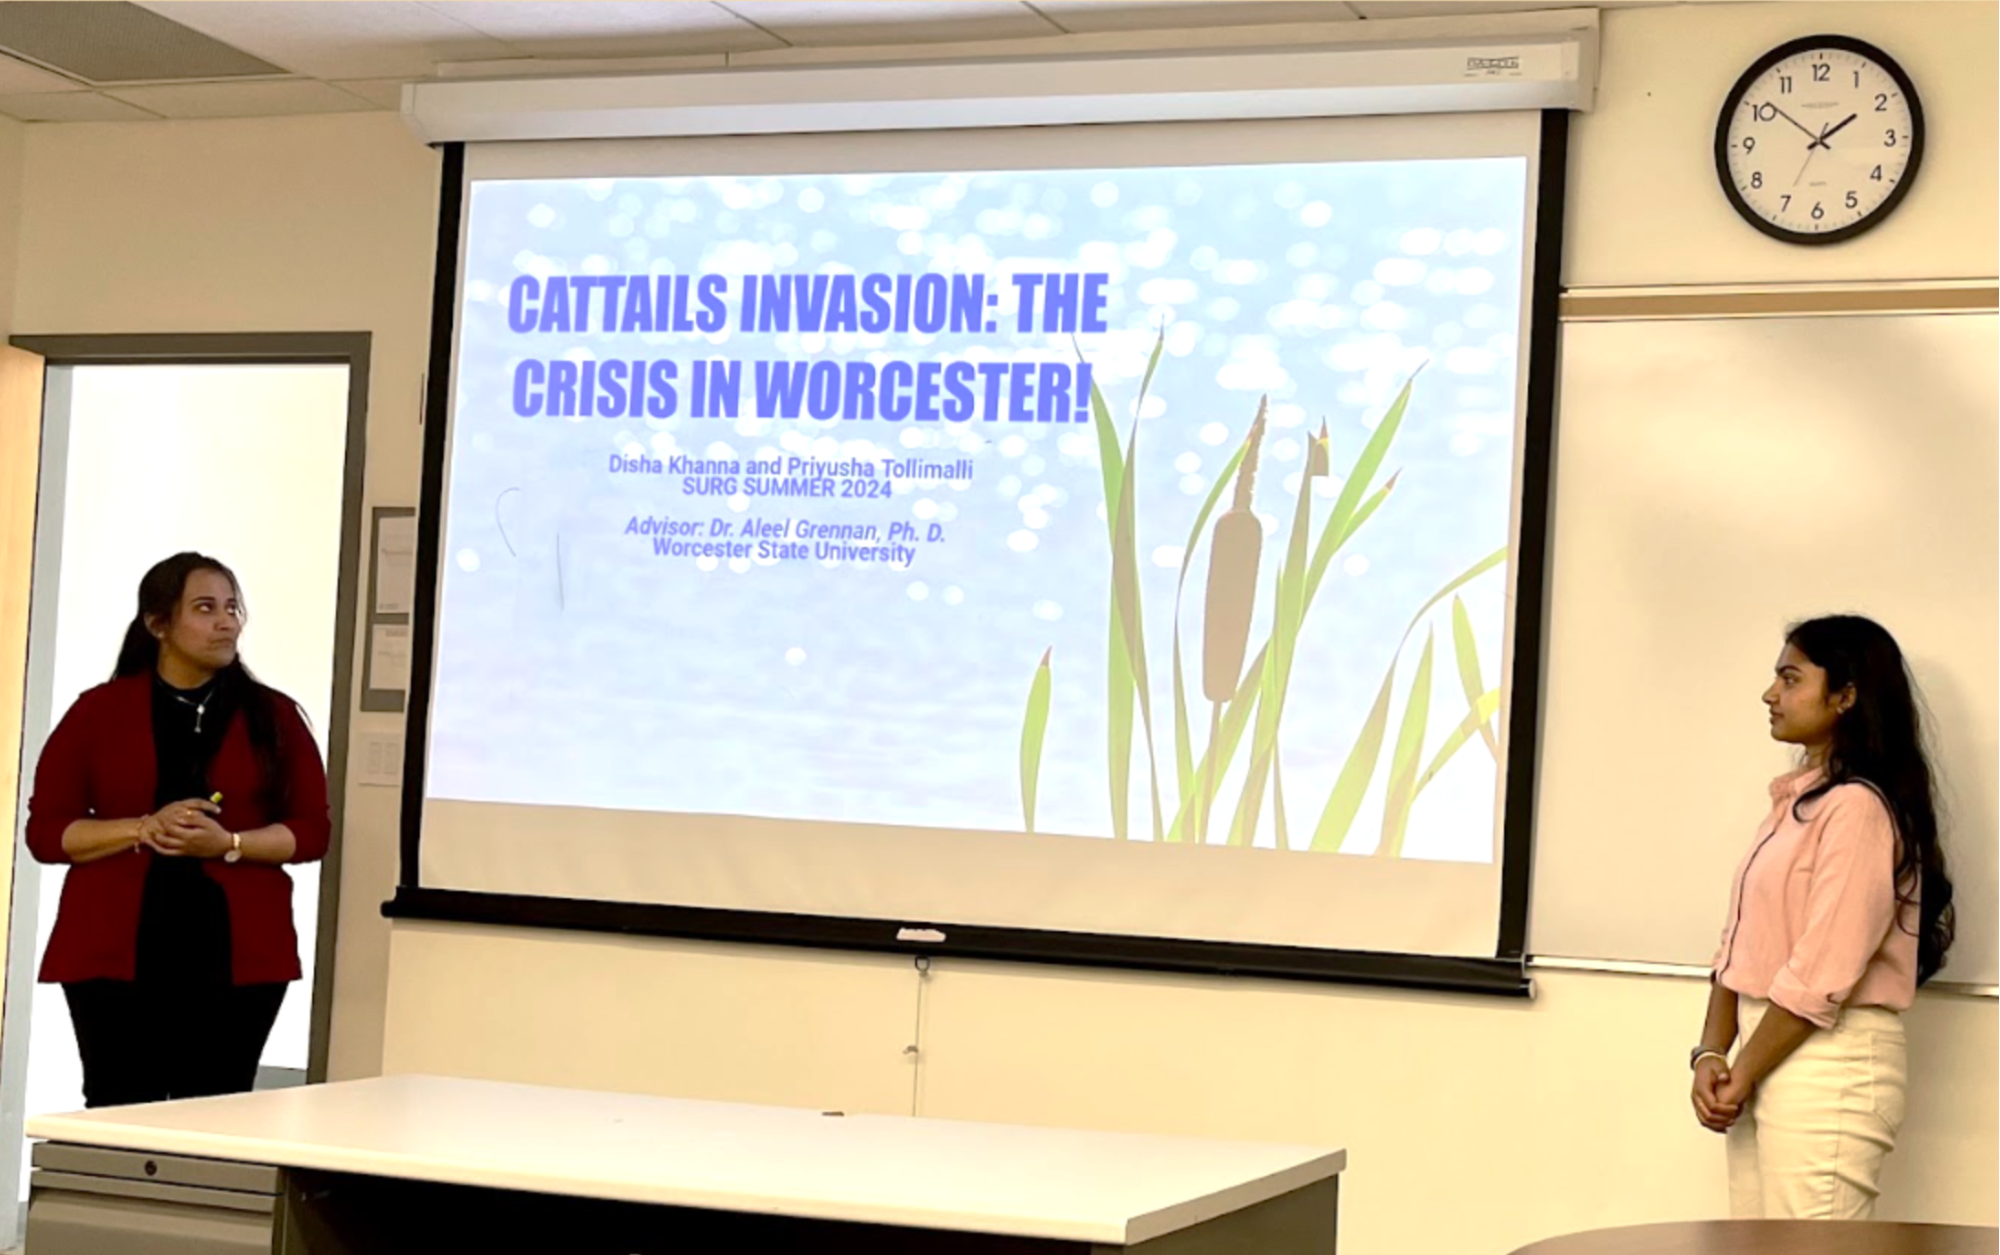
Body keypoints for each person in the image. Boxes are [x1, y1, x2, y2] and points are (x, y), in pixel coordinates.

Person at [26, 552, 330, 1108]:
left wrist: (231, 844)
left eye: (233, 608)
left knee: (215, 1110)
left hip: (236, 955)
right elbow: (47, 833)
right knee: (119, 1106)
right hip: (115, 951)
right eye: (206, 608)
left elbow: (312, 832)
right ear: (158, 623)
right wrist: (142, 829)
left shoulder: (276, 716)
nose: (227, 622)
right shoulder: (97, 713)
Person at [1690, 615, 1955, 1219]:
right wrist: (1710, 1053)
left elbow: (1820, 971)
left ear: (1847, 696)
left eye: (1790, 679)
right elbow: (1739, 946)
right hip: (1769, 1052)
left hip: (1826, 1061)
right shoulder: (1801, 801)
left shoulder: (1858, 809)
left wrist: (1742, 1070)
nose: (1770, 695)